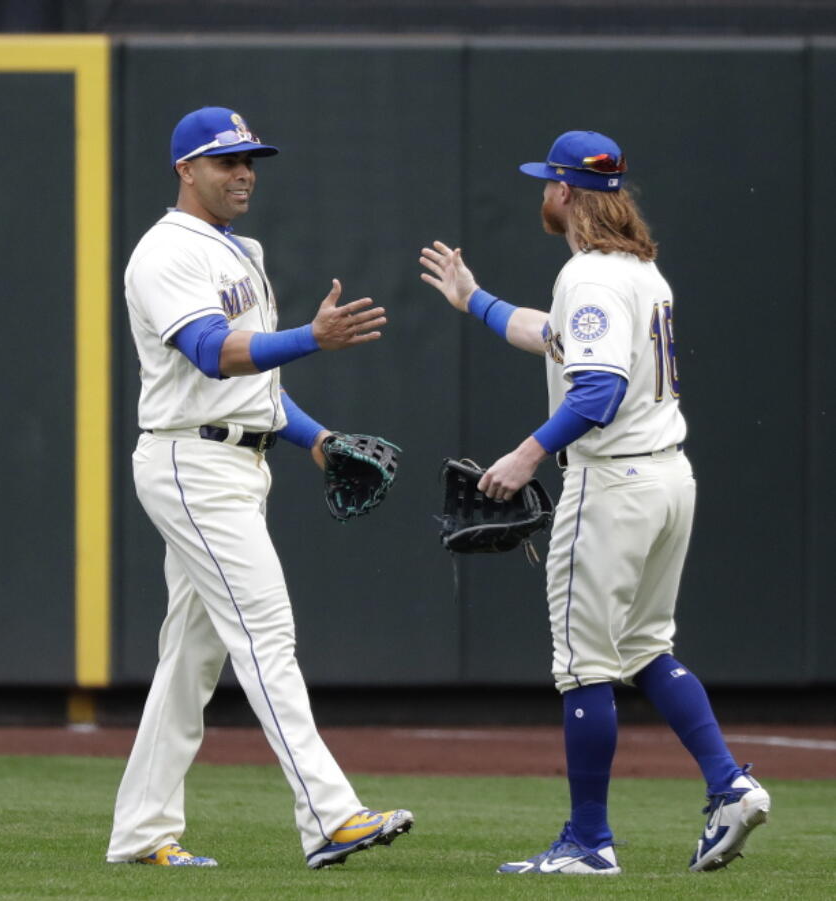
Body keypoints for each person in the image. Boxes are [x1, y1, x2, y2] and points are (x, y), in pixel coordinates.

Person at [418, 130, 770, 875]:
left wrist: (526, 452)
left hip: (611, 484)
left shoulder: (591, 277)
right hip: (669, 478)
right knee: (645, 648)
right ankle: (730, 784)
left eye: (547, 181)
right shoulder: (641, 273)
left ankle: (587, 841)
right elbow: (553, 339)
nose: (541, 192)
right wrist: (471, 298)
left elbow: (599, 389)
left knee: (583, 664)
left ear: (567, 194)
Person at [106, 106, 413, 870]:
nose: (244, 171)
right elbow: (212, 354)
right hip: (192, 463)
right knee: (267, 632)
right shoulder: (166, 251)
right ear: (186, 169)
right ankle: (329, 814)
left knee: (191, 657)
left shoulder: (239, 249)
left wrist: (317, 439)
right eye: (225, 160)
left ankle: (140, 832)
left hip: (237, 460)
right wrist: (313, 336)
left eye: (251, 159)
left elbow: (257, 388)